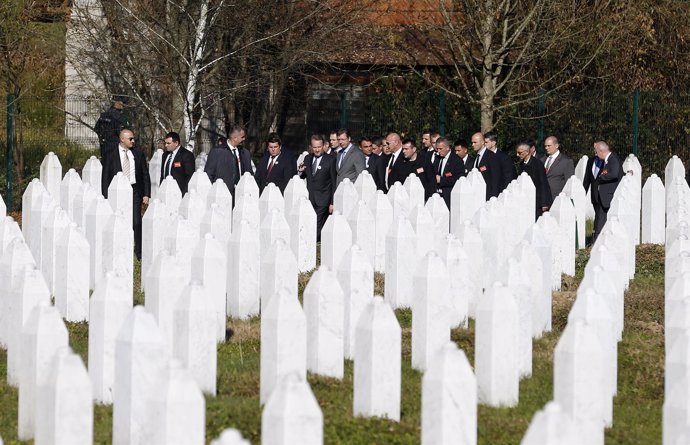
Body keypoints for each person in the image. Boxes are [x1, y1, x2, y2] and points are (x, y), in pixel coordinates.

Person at [101, 129, 150, 260]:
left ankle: (138, 252)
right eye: (130, 139)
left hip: (134, 190)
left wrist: (146, 194)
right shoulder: (110, 154)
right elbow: (105, 176)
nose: (133, 141)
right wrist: (106, 196)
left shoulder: (138, 154)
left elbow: (145, 174)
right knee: (118, 221)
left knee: (136, 222)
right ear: (122, 139)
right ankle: (118, 250)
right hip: (117, 191)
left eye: (133, 138)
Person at [583, 140, 623, 244]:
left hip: (606, 196)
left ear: (601, 151)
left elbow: (614, 174)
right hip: (598, 196)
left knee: (601, 221)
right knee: (599, 219)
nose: (595, 154)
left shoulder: (613, 159)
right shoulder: (606, 160)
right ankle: (597, 241)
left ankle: (597, 243)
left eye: (596, 152)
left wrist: (601, 177)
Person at [298, 134, 336, 241]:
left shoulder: (331, 160)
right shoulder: (308, 158)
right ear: (311, 147)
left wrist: (332, 202)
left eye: (319, 147)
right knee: (309, 222)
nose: (317, 150)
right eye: (315, 147)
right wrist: (301, 172)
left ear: (323, 146)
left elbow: (333, 182)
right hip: (310, 198)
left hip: (323, 199)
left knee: (317, 224)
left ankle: (313, 246)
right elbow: (305, 176)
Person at [516, 141, 552, 220]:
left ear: (527, 152)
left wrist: (544, 203)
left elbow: (543, 183)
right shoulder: (521, 164)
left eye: (519, 152)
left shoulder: (537, 164)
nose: (517, 155)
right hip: (525, 200)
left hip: (537, 201)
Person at [433, 137, 465, 209]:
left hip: (449, 195)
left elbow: (458, 180)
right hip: (436, 194)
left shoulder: (457, 161)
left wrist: (441, 180)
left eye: (440, 149)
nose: (438, 151)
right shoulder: (437, 158)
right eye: (437, 149)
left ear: (447, 148)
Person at [542, 135, 575, 201]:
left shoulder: (566, 161)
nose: (546, 148)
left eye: (549, 146)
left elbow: (569, 183)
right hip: (543, 198)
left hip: (557, 198)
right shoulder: (542, 160)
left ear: (556, 146)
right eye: (545, 146)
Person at [470, 132, 500, 200]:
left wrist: (493, 197)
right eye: (472, 142)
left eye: (475, 142)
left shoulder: (491, 156)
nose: (472, 145)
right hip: (476, 195)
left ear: (483, 142)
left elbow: (495, 178)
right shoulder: (476, 157)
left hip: (487, 196)